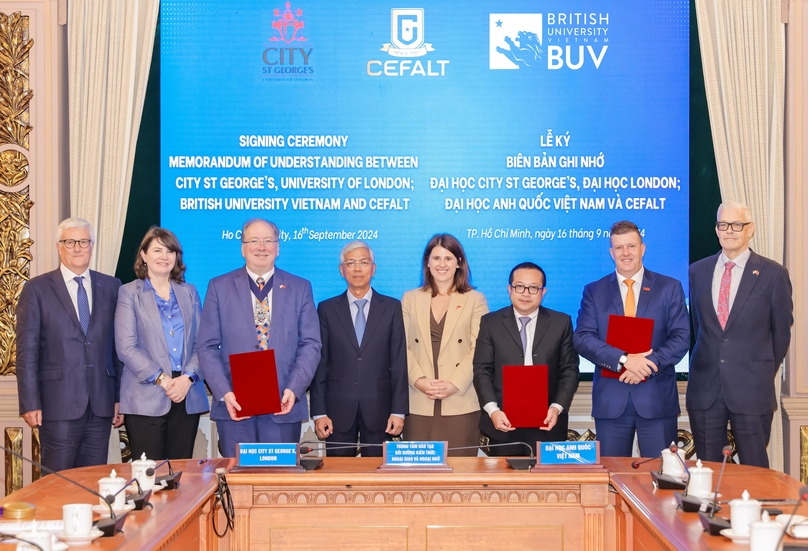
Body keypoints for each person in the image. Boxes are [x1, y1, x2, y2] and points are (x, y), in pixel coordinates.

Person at [196, 218, 321, 457]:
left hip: (283, 406)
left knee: (279, 486)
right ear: (243, 247)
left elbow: (311, 344)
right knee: (238, 485)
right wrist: (225, 392)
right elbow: (207, 346)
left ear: (278, 247)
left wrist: (293, 390)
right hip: (235, 407)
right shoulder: (218, 286)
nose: (261, 247)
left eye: (268, 241)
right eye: (253, 241)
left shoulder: (300, 287)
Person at [687, 201, 793, 468]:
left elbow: (781, 334)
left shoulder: (774, 274)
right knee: (707, 473)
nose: (729, 231)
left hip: (752, 388)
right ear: (716, 230)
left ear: (750, 229)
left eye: (737, 225)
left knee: (755, 469)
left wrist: (760, 369)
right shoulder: (697, 271)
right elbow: (697, 328)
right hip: (705, 388)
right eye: (723, 225)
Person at [573, 220, 689, 457]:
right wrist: (625, 360)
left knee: (661, 477)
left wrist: (646, 366)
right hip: (611, 401)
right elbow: (583, 338)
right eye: (619, 247)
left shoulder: (670, 287)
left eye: (631, 246)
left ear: (642, 248)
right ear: (611, 252)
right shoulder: (594, 291)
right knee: (613, 477)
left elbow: (682, 337)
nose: (625, 253)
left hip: (656, 399)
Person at [16, 218, 124, 471]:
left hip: (101, 405)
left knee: (93, 481)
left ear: (92, 246)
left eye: (83, 241)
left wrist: (119, 398)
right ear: (59, 247)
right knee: (58, 482)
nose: (77, 247)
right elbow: (27, 351)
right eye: (70, 242)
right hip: (57, 405)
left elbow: (117, 348)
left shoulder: (112, 286)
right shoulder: (37, 288)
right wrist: (30, 401)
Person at [114, 228, 208, 460]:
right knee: (149, 479)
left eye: (170, 251)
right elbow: (126, 347)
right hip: (146, 395)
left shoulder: (190, 292)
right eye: (157, 250)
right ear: (144, 255)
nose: (164, 256)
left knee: (180, 476)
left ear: (177, 257)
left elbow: (203, 343)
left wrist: (188, 378)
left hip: (186, 393)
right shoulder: (128, 293)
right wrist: (163, 380)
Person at [310, 241, 408, 456]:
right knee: (339, 479)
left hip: (380, 410)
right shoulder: (326, 309)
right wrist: (319, 413)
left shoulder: (391, 308)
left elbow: (399, 362)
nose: (357, 268)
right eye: (351, 263)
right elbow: (320, 364)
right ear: (341, 270)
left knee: (377, 479)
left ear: (373, 269)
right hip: (336, 412)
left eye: (363, 262)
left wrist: (398, 411)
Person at [473, 262, 579, 456]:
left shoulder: (561, 322)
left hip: (548, 423)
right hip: (502, 422)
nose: (525, 293)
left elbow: (569, 370)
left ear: (543, 292)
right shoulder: (491, 322)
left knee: (547, 485)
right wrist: (493, 410)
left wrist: (556, 408)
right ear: (509, 289)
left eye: (533, 288)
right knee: (505, 485)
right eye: (519, 286)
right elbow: (482, 369)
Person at [402, 234, 488, 456]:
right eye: (436, 258)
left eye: (448, 258)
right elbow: (401, 346)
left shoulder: (474, 299)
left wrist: (454, 384)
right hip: (419, 400)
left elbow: (480, 348)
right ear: (427, 262)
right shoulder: (410, 298)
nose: (442, 264)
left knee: (460, 474)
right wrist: (418, 381)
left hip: (460, 399)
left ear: (459, 262)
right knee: (418, 478)